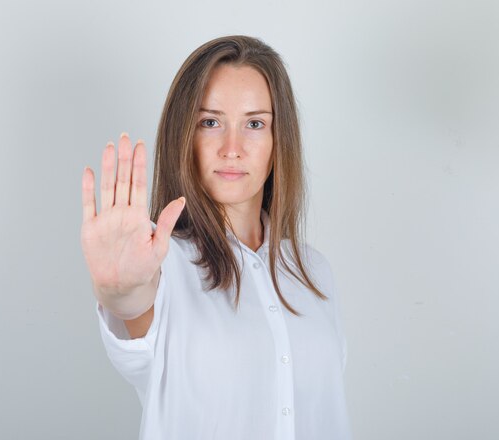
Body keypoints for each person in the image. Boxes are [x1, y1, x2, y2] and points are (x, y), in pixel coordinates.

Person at [80, 35, 352, 440]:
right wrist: (120, 291)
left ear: (280, 142)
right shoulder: (159, 263)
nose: (232, 147)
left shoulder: (313, 271)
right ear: (183, 137)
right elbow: (134, 307)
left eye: (255, 124)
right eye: (210, 122)